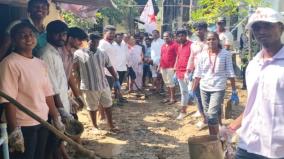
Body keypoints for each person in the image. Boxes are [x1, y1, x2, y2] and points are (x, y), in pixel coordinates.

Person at [226, 7, 284, 159]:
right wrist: (232, 127)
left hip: (278, 148)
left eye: (267, 25)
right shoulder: (253, 65)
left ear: (281, 27)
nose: (262, 31)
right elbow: (254, 106)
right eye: (257, 27)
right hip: (248, 144)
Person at [0, 22, 64, 159]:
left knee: (40, 155)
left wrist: (55, 116)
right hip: (23, 124)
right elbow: (8, 99)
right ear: (13, 40)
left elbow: (48, 93)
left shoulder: (40, 63)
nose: (28, 38)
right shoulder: (9, 63)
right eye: (22, 35)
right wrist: (14, 130)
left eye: (31, 34)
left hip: (43, 120)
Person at [192, 32, 236, 135]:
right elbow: (198, 73)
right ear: (206, 41)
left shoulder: (225, 54)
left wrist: (234, 90)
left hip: (218, 87)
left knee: (211, 114)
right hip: (204, 88)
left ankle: (214, 137)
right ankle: (218, 127)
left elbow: (230, 72)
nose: (211, 41)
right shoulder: (202, 54)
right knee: (209, 114)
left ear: (218, 40)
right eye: (209, 39)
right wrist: (193, 89)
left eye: (213, 39)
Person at [74, 33, 119, 133]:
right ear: (87, 41)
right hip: (89, 86)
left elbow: (109, 66)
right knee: (92, 107)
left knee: (108, 105)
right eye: (92, 40)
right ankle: (94, 126)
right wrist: (76, 86)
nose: (95, 43)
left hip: (103, 84)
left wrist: (116, 78)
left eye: (97, 41)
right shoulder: (79, 53)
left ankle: (111, 125)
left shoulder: (102, 53)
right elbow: (74, 69)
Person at [40, 20, 73, 159]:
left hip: (61, 105)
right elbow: (51, 87)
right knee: (50, 145)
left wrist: (69, 100)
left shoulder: (56, 51)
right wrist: (60, 111)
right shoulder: (46, 54)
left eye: (64, 34)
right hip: (53, 108)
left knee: (56, 142)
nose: (61, 37)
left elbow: (60, 82)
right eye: (57, 34)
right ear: (49, 34)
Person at [59, 27, 88, 119]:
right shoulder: (58, 53)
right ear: (70, 38)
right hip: (55, 93)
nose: (81, 43)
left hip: (64, 91)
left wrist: (77, 96)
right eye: (79, 40)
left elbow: (69, 75)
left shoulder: (71, 53)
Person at [186, 21, 208, 129]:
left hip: (209, 74)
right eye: (197, 29)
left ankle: (214, 120)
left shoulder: (211, 42)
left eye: (201, 29)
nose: (199, 31)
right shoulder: (194, 44)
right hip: (196, 73)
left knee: (208, 96)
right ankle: (204, 118)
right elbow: (191, 57)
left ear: (206, 30)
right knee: (197, 95)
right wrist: (188, 70)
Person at [98, 25, 125, 105]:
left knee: (109, 92)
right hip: (105, 73)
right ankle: (103, 111)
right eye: (110, 33)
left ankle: (107, 107)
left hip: (112, 73)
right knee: (105, 93)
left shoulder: (111, 44)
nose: (112, 35)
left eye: (113, 33)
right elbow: (101, 59)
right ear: (104, 33)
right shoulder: (102, 44)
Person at [175, 29, 192, 120]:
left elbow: (193, 59)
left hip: (189, 73)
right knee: (184, 92)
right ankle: (183, 111)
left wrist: (190, 72)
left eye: (182, 35)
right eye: (179, 36)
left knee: (193, 93)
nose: (180, 37)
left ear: (186, 36)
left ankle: (200, 111)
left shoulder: (191, 45)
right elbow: (178, 57)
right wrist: (175, 69)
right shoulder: (179, 46)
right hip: (179, 72)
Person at [160, 31, 178, 105]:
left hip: (171, 67)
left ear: (170, 37)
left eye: (167, 36)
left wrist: (175, 66)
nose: (165, 38)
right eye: (164, 36)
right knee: (167, 83)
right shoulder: (163, 46)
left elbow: (178, 56)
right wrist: (159, 66)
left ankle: (173, 98)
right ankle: (168, 97)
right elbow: (161, 56)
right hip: (163, 67)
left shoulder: (175, 45)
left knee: (171, 83)